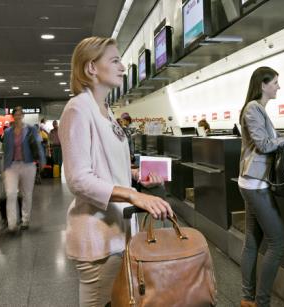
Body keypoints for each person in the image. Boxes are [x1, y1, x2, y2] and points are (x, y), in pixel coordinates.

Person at [59, 36, 173, 307]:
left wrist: (134, 176)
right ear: (91, 68)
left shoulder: (105, 111)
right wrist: (133, 196)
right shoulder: (78, 109)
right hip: (96, 237)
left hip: (115, 231)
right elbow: (78, 178)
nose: (123, 66)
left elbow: (106, 165)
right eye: (115, 60)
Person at [237, 66, 284, 307]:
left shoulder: (258, 109)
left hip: (252, 182)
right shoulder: (252, 108)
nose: (278, 87)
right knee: (278, 242)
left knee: (251, 243)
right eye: (276, 83)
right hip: (255, 184)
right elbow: (264, 144)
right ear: (263, 84)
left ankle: (248, 300)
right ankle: (261, 302)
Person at [2, 106, 45, 232]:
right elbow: (6, 151)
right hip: (12, 166)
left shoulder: (31, 130)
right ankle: (12, 223)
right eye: (16, 113)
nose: (18, 116)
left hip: (28, 165)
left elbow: (38, 145)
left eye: (20, 114)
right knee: (10, 193)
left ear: (23, 116)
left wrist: (42, 160)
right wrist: (4, 168)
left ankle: (25, 220)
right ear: (13, 116)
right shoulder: (8, 132)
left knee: (27, 194)